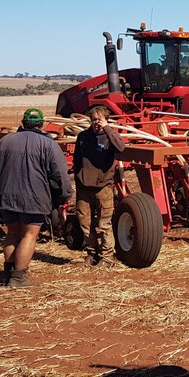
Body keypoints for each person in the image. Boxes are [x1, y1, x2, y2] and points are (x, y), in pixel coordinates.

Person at [0, 108, 72, 288]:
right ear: (41, 124)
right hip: (33, 198)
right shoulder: (48, 144)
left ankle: (7, 272)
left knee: (12, 232)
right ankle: (19, 277)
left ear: (23, 123)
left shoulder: (5, 141)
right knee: (29, 234)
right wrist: (65, 195)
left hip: (6, 197)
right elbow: (60, 174)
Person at [72, 106, 126, 265]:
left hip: (103, 187)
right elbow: (77, 160)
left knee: (104, 224)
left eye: (100, 120)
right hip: (84, 187)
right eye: (94, 119)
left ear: (106, 120)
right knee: (85, 223)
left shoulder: (111, 136)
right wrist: (78, 179)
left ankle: (107, 257)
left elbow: (120, 148)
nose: (96, 123)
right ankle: (91, 253)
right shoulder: (83, 137)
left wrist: (107, 129)